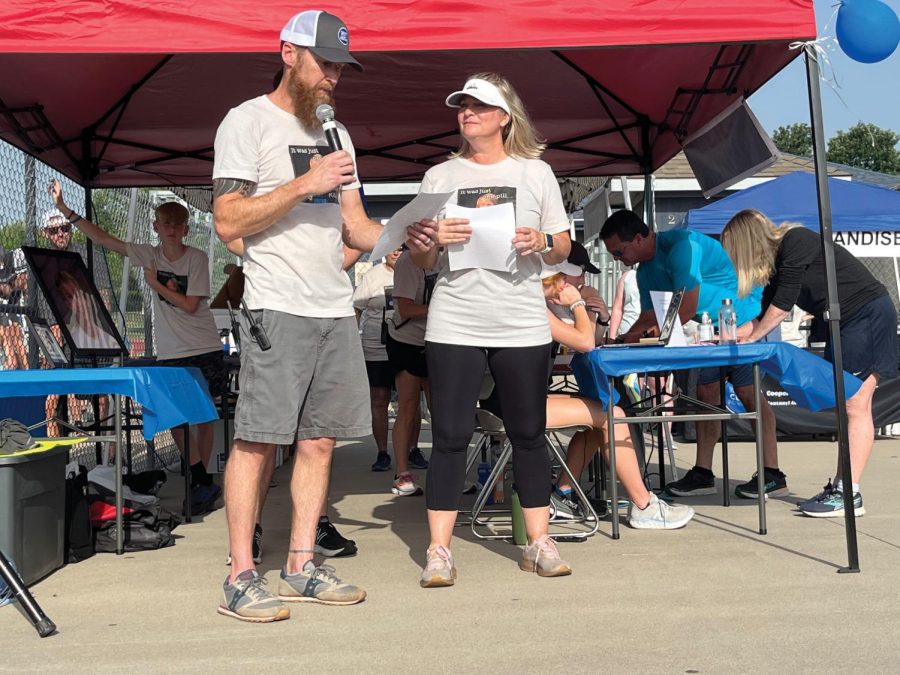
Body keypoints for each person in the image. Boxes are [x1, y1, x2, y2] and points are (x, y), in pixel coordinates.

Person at [212, 10, 379, 622]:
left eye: (340, 66)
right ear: (288, 53)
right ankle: (239, 575)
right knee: (258, 442)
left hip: (335, 307)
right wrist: (301, 184)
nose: (333, 76)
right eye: (325, 63)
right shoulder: (246, 121)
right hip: (274, 307)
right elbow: (228, 219)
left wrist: (407, 234)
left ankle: (300, 565)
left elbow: (355, 226)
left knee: (319, 441)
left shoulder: (341, 136)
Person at [406, 72, 573, 587]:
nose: (467, 112)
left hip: (521, 320)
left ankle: (538, 542)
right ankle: (439, 551)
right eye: (461, 105)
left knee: (528, 432)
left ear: (505, 116)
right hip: (456, 317)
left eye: (479, 105)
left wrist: (541, 239)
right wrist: (430, 241)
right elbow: (425, 258)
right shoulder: (438, 176)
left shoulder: (536, 173)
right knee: (451, 436)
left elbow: (564, 246)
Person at [50, 180, 227, 515]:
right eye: (167, 224)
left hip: (203, 345)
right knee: (178, 418)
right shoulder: (149, 253)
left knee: (204, 416)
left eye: (178, 224)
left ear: (186, 228)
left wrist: (155, 284)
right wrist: (65, 211)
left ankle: (203, 480)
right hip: (173, 352)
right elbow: (103, 239)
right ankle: (198, 476)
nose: (172, 230)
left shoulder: (197, 258)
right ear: (156, 227)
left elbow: (190, 305)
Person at [721, 209, 897, 517]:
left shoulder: (795, 241)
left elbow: (780, 308)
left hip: (866, 315)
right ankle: (843, 487)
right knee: (849, 404)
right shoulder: (780, 263)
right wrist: (724, 337)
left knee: (856, 404)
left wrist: (750, 339)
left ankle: (849, 493)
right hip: (844, 322)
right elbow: (761, 319)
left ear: (746, 243)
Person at [598, 210, 780, 500]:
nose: (618, 259)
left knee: (748, 394)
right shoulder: (645, 270)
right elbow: (648, 314)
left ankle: (773, 472)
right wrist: (625, 339)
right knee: (706, 393)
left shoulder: (683, 245)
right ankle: (702, 472)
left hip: (742, 321)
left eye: (619, 252)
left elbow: (685, 307)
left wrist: (657, 339)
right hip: (711, 328)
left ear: (639, 238)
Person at [541, 264, 694, 528]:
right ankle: (644, 505)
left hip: (513, 398)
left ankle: (561, 493)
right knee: (613, 413)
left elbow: (588, 339)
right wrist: (578, 302)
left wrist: (593, 313)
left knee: (600, 411)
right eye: (563, 278)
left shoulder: (533, 305)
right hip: (516, 404)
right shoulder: (536, 308)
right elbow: (586, 342)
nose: (569, 283)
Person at [385, 248, 438, 496]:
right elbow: (405, 309)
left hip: (438, 340)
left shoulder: (450, 256)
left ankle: (445, 470)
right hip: (406, 341)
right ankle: (402, 472)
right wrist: (443, 305)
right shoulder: (408, 261)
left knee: (440, 410)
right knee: (408, 406)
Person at [352, 249, 402, 471]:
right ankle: (382, 452)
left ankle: (412, 450)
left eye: (402, 247)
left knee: (410, 401)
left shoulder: (416, 271)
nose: (397, 251)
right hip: (376, 347)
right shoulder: (372, 276)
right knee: (379, 399)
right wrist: (352, 340)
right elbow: (356, 309)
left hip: (407, 344)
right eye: (392, 247)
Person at [608, 266, 640, 340]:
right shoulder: (628, 276)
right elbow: (617, 308)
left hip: (651, 335)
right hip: (626, 333)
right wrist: (612, 337)